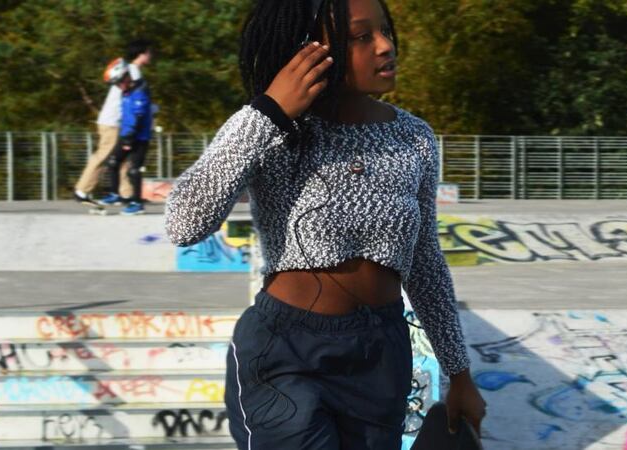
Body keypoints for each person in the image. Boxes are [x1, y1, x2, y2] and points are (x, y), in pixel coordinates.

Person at [165, 0, 486, 448]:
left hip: (381, 355)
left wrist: (459, 373)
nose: (384, 46)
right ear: (307, 52)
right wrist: (270, 111)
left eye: (385, 31)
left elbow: (426, 262)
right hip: (286, 355)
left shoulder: (414, 138)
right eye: (361, 36)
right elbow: (184, 222)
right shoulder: (274, 130)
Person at [73, 39, 153, 205]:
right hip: (114, 121)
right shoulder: (133, 72)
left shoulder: (131, 69)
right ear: (142, 54)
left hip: (119, 121)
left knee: (122, 158)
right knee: (105, 155)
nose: (151, 55)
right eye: (149, 52)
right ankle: (82, 190)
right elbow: (137, 101)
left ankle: (126, 194)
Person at [101, 63, 153, 215]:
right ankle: (115, 194)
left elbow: (138, 117)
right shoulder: (127, 92)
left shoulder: (139, 93)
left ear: (126, 77)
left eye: (118, 82)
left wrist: (129, 139)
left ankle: (137, 204)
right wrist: (125, 137)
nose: (117, 86)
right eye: (115, 84)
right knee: (113, 162)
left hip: (139, 137)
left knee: (133, 170)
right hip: (126, 135)